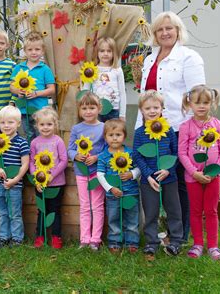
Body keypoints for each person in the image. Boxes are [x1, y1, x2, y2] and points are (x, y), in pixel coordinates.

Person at [136, 11, 206, 243]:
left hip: (178, 128)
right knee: (155, 178)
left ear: (178, 31)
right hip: (149, 129)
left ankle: (181, 235)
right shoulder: (149, 59)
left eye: (170, 28)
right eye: (160, 29)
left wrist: (196, 128)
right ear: (154, 34)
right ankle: (158, 231)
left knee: (178, 185)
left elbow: (198, 95)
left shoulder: (189, 57)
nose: (165, 33)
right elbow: (145, 96)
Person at [178, 85, 220, 260]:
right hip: (193, 178)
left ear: (212, 103)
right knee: (195, 211)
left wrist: (214, 172)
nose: (201, 106)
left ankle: (213, 246)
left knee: (211, 211)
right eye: (197, 102)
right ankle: (198, 244)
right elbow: (182, 153)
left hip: (212, 178)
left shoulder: (219, 125)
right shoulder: (186, 126)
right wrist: (194, 173)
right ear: (189, 104)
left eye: (206, 102)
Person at [133, 90, 183, 260]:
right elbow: (137, 156)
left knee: (173, 210)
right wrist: (147, 176)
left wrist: (169, 169)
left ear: (162, 108)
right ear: (142, 110)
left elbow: (176, 153)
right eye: (148, 108)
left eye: (156, 107)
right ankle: (151, 243)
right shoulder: (140, 133)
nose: (152, 111)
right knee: (151, 211)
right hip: (149, 181)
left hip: (169, 178)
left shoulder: (168, 131)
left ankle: (176, 241)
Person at [67, 92, 106, 251]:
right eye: (84, 108)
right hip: (81, 172)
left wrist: (97, 157)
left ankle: (95, 239)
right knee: (84, 205)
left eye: (92, 107)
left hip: (97, 173)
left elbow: (108, 150)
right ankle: (84, 238)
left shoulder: (103, 127)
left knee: (97, 205)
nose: (88, 111)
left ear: (99, 108)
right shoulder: (76, 128)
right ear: (79, 110)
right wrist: (76, 155)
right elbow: (70, 149)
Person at [0, 106, 30, 249]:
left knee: (15, 213)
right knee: (2, 213)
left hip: (14, 184)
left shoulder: (21, 143)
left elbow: (25, 164)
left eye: (10, 122)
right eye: (3, 122)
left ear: (18, 124)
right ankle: (3, 237)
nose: (6, 126)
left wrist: (16, 179)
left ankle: (17, 238)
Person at [97, 119, 141, 254]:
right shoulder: (104, 156)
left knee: (132, 219)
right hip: (113, 195)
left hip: (131, 192)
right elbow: (100, 175)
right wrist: (110, 188)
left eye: (118, 134)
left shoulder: (130, 153)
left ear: (124, 136)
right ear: (105, 137)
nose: (114, 138)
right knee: (113, 219)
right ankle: (115, 241)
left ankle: (132, 242)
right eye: (111, 135)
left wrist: (132, 174)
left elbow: (139, 168)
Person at [30, 107, 68, 249]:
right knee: (42, 210)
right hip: (41, 184)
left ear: (55, 125)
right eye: (42, 124)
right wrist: (36, 178)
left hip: (57, 183)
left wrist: (52, 176)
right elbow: (32, 163)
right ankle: (40, 237)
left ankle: (56, 237)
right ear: (37, 125)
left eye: (49, 124)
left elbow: (64, 161)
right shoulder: (34, 142)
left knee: (55, 210)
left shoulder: (58, 141)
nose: (45, 127)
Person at [10, 32, 56, 141]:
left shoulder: (45, 69)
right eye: (30, 50)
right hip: (23, 109)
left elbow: (52, 89)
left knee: (41, 135)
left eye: (37, 49)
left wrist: (37, 93)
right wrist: (18, 91)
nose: (33, 52)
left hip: (40, 110)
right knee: (27, 136)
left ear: (42, 51)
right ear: (25, 51)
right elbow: (11, 87)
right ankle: (29, 157)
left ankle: (40, 156)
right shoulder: (19, 68)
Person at [83, 37, 126, 122]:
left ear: (113, 53)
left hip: (114, 110)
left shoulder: (117, 70)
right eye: (102, 51)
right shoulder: (92, 70)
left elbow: (122, 93)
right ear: (97, 53)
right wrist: (86, 111)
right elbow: (86, 91)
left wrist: (122, 114)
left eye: (109, 51)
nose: (105, 54)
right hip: (96, 111)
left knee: (113, 133)